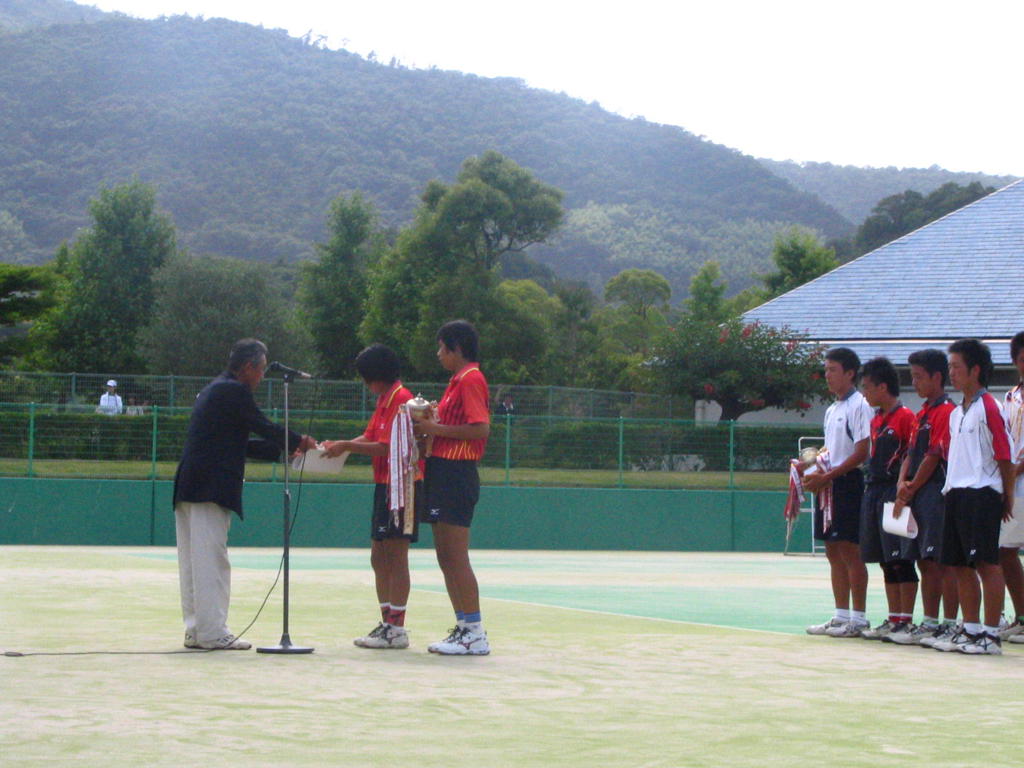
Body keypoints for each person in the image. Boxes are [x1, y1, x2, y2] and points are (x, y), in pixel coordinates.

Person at [172, 338, 316, 651]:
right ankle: (212, 632)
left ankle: (197, 630)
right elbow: (262, 426)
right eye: (261, 370)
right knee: (211, 560)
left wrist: (285, 449)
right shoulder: (234, 391)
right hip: (209, 486)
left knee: (194, 562)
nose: (262, 377)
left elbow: (239, 442)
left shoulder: (215, 389)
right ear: (249, 367)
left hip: (191, 484)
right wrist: (297, 440)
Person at [321, 344, 423, 650]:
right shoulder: (384, 400)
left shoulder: (402, 400)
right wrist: (340, 445)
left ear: (377, 376)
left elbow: (387, 447)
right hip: (383, 485)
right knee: (378, 556)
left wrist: (346, 446)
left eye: (366, 378)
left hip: (402, 486)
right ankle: (386, 622)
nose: (365, 385)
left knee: (396, 555)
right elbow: (371, 437)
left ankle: (397, 628)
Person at [411, 320, 491, 655]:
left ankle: (475, 631)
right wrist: (431, 423)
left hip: (457, 473)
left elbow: (480, 429)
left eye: (442, 347)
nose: (439, 354)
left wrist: (433, 427)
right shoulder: (456, 380)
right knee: (445, 555)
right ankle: (463, 627)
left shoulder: (471, 378)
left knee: (456, 556)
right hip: (443, 470)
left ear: (456, 348)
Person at [934, 339, 1015, 655]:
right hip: (955, 493)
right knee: (958, 566)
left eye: (956, 366)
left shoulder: (990, 407)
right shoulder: (957, 413)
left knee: (986, 563)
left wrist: (1005, 495)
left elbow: (1004, 454)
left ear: (975, 369)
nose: (951, 372)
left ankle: (991, 636)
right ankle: (970, 630)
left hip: (982, 494)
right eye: (949, 366)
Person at [803, 347, 873, 638]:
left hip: (848, 484)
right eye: (826, 369)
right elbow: (830, 452)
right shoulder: (832, 409)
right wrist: (809, 468)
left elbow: (863, 451)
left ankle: (858, 618)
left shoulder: (861, 405)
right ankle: (840, 615)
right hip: (828, 484)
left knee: (850, 550)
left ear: (850, 373)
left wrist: (829, 475)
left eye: (833, 370)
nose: (827, 375)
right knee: (832, 550)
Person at [891, 349, 959, 646]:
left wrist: (913, 486)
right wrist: (901, 484)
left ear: (937, 377)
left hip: (934, 494)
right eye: (911, 377)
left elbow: (934, 455)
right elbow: (909, 453)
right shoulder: (921, 413)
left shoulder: (947, 411)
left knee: (940, 561)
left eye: (919, 377)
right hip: (914, 494)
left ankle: (950, 623)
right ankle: (929, 622)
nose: (914, 383)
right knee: (923, 561)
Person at [855, 357, 917, 642]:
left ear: (883, 387)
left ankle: (906, 619)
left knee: (901, 558)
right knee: (884, 560)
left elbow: (912, 456)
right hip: (874, 491)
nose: (864, 392)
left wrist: (903, 492)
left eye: (867, 387)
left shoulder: (906, 417)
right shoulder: (876, 418)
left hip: (894, 494)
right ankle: (894, 618)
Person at [998, 330, 1024, 644]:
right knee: (1003, 552)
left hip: (1017, 481)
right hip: (1013, 487)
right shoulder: (1010, 397)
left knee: (1004, 551)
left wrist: (1014, 471)